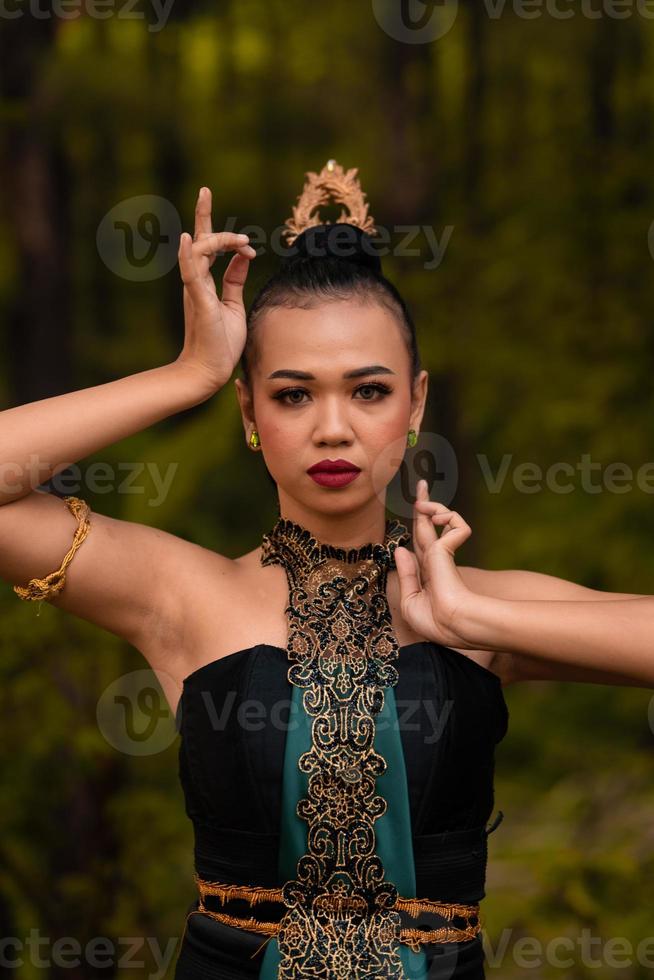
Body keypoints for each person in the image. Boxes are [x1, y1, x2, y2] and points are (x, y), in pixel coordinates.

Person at [1, 161, 651, 979]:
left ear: (414, 406)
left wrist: (479, 625)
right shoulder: (184, 597)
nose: (334, 428)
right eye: (294, 394)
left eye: (369, 392)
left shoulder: (477, 608)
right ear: (249, 411)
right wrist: (187, 375)